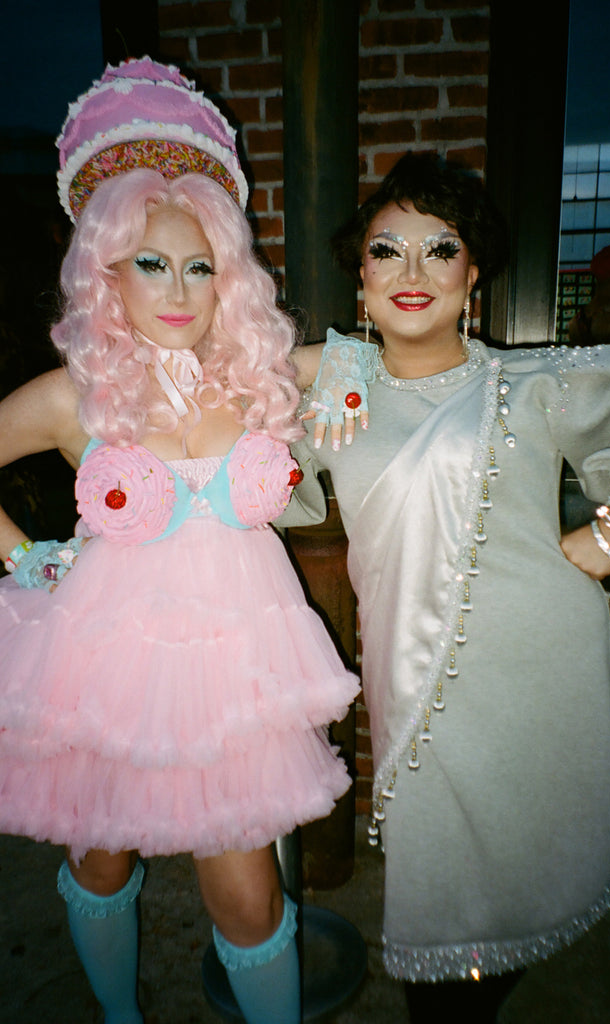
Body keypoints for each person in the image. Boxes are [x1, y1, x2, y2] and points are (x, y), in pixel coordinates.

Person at [0, 57, 360, 1024]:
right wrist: (22, 554)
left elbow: (385, 375)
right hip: (106, 664)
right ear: (104, 272)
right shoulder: (76, 396)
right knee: (102, 855)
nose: (178, 287)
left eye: (200, 265)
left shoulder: (257, 378)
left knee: (246, 896)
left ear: (227, 279)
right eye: (151, 262)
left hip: (232, 675)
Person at [283, 152, 610, 1022]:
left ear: (473, 272)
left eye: (441, 247)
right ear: (361, 271)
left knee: (508, 878)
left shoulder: (533, 385)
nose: (413, 272)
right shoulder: (333, 393)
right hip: (413, 674)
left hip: (540, 663)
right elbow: (217, 425)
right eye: (388, 251)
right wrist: (320, 359)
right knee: (440, 896)